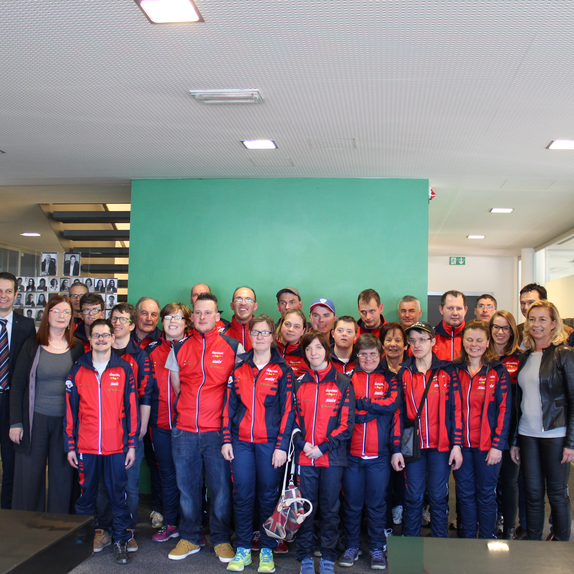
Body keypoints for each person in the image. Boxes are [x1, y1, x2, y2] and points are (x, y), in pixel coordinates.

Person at [166, 293, 242, 562]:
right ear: (192, 317)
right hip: (184, 430)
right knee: (187, 487)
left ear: (217, 316)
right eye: (197, 313)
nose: (202, 317)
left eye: (207, 313)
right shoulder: (178, 348)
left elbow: (238, 393)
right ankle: (190, 537)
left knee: (220, 489)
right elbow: (177, 389)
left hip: (217, 432)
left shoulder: (234, 347)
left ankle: (221, 539)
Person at [222, 314, 294, 573]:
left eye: (265, 333)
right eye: (256, 333)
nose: (260, 337)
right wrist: (226, 440)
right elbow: (228, 408)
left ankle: (266, 549)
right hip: (240, 443)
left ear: (273, 336)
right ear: (250, 336)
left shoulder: (283, 370)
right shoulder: (238, 367)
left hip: (270, 445)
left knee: (268, 496)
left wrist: (281, 446)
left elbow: (288, 412)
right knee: (242, 494)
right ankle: (243, 548)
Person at [64, 318, 139, 565]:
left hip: (117, 447)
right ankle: (82, 542)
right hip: (85, 446)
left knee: (118, 495)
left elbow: (132, 410)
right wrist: (71, 446)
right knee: (86, 496)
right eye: (96, 335)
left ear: (112, 337)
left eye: (105, 335)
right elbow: (70, 411)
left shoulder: (123, 369)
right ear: (91, 338)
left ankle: (120, 540)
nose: (101, 339)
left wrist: (131, 445)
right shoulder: (77, 369)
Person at [9, 296, 84, 513]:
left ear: (71, 318)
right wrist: (16, 422)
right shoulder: (32, 345)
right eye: (56, 311)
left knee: (62, 477)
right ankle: (27, 526)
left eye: (66, 312)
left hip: (65, 422)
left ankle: (58, 527)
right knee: (30, 476)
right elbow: (19, 383)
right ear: (47, 315)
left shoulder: (76, 347)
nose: (61, 316)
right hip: (35, 419)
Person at [510, 300, 574, 541]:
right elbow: (521, 403)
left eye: (542, 319)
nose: (536, 324)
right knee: (533, 493)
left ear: (554, 324)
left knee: (557, 493)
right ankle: (533, 540)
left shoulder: (564, 355)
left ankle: (561, 541)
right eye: (532, 319)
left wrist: (571, 442)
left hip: (556, 436)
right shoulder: (526, 357)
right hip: (528, 436)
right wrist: (516, 440)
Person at [94, 303, 155, 553]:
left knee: (129, 483)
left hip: (129, 431)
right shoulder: (97, 352)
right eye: (114, 319)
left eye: (123, 320)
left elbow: (146, 394)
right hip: (100, 432)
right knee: (102, 483)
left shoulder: (139, 356)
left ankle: (127, 531)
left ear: (132, 325)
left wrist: (139, 429)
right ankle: (103, 529)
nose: (118, 323)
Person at [393, 321, 463, 538]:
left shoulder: (447, 371)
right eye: (412, 340)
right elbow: (398, 414)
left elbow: (456, 410)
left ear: (433, 341)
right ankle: (411, 545)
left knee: (438, 496)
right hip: (412, 445)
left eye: (422, 339)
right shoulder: (403, 372)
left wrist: (457, 445)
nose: (417, 344)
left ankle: (439, 545)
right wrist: (397, 448)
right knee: (413, 496)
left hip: (440, 446)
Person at [293, 330, 355, 574]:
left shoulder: (343, 383)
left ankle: (328, 556)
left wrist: (323, 447)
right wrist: (304, 445)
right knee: (306, 507)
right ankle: (306, 555)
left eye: (318, 348)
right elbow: (292, 421)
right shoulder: (299, 383)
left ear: (326, 351)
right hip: (305, 456)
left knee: (330, 509)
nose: (313, 353)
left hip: (332, 458)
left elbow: (346, 424)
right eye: (308, 349)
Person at [339, 334, 400, 571]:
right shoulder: (347, 379)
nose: (368, 358)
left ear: (380, 355)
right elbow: (346, 413)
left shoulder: (391, 379)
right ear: (357, 356)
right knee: (352, 504)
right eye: (363, 354)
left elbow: (393, 406)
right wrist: (373, 409)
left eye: (373, 354)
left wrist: (361, 405)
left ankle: (376, 547)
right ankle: (352, 545)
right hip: (351, 455)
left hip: (380, 456)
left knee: (376, 505)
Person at [452, 320, 510, 539]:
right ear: (463, 341)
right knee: (465, 494)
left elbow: (505, 410)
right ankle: (467, 539)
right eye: (469, 339)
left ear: (487, 342)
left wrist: (497, 446)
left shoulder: (498, 371)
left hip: (488, 447)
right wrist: (455, 445)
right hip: (462, 447)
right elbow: (453, 411)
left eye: (479, 340)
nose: (474, 344)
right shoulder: (454, 370)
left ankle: (486, 538)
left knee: (486, 494)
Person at [147, 303, 192, 544]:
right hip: (161, 425)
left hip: (189, 426)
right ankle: (171, 522)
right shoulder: (151, 350)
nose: (173, 321)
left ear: (187, 322)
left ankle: (192, 525)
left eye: (178, 317)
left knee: (190, 476)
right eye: (168, 317)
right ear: (162, 322)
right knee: (166, 474)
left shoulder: (195, 347)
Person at [0, 272, 36, 508]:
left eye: (8, 291)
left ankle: (6, 511)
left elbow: (29, 368)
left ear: (15, 294)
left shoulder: (26, 325)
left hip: (12, 402)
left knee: (11, 462)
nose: (3, 296)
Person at [488, 310, 523, 539]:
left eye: (505, 328)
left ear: (512, 331)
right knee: (487, 482)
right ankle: (489, 522)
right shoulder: (482, 356)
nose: (500, 332)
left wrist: (515, 438)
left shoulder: (520, 358)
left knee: (509, 482)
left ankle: (509, 527)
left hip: (512, 430)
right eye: (496, 327)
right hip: (486, 430)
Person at [379, 322, 407, 527]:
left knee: (405, 472)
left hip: (408, 429)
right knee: (385, 476)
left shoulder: (411, 368)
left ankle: (401, 506)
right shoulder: (377, 368)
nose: (393, 344)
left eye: (398, 340)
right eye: (388, 340)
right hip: (382, 429)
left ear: (406, 345)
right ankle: (386, 516)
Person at [433, 290, 467, 361]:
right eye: (450, 308)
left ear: (465, 310)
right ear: (441, 309)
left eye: (459, 308)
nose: (455, 313)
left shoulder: (473, 337)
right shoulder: (430, 336)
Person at [276, 309, 309, 377]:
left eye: (296, 327)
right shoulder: (268, 348)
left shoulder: (307, 356)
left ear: (303, 331)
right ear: (281, 324)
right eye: (287, 324)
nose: (291, 329)